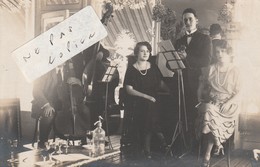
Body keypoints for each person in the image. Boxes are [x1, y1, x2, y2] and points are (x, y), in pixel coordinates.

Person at [195, 40, 241, 167]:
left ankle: (208, 154)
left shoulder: (235, 70)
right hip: (213, 103)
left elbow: (240, 92)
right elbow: (201, 85)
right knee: (209, 111)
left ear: (228, 53)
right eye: (217, 52)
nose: (220, 54)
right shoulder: (211, 69)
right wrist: (199, 97)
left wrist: (228, 103)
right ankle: (217, 145)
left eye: (223, 51)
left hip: (228, 106)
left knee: (209, 115)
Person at [174, 8, 212, 151]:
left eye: (190, 19)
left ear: (196, 20)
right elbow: (172, 61)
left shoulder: (205, 39)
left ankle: (198, 147)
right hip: (181, 82)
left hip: (199, 83)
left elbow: (206, 61)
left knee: (197, 115)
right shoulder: (179, 41)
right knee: (183, 113)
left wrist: (186, 57)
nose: (188, 22)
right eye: (185, 20)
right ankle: (185, 145)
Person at [123, 41, 169, 159]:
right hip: (137, 100)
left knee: (151, 108)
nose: (145, 53)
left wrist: (170, 92)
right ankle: (161, 138)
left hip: (153, 99)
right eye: (142, 51)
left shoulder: (153, 67)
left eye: (147, 51)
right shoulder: (131, 69)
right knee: (148, 108)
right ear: (137, 53)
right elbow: (129, 90)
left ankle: (147, 148)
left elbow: (160, 83)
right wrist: (146, 96)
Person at [31, 59, 90, 148]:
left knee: (85, 110)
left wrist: (78, 82)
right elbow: (36, 91)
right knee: (49, 114)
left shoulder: (68, 70)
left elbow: (75, 90)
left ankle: (82, 137)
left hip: (63, 102)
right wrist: (46, 105)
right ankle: (42, 142)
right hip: (45, 102)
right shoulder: (44, 70)